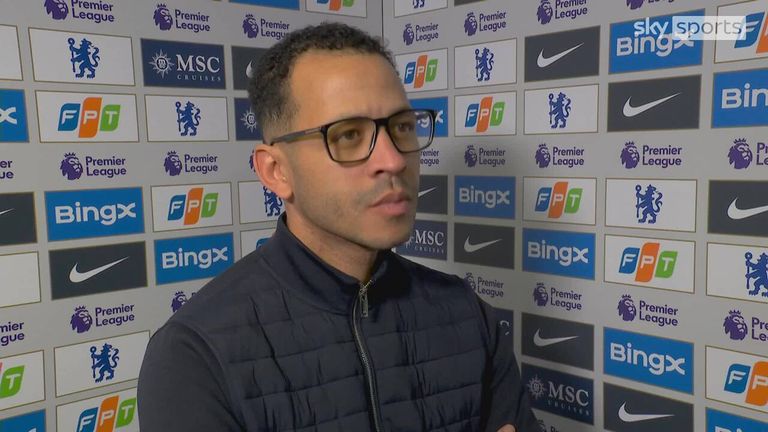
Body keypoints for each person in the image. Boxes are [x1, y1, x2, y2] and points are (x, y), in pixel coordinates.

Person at [137, 22, 538, 432]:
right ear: (276, 171)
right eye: (348, 135)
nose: (393, 160)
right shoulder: (195, 358)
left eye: (401, 127)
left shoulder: (467, 315)